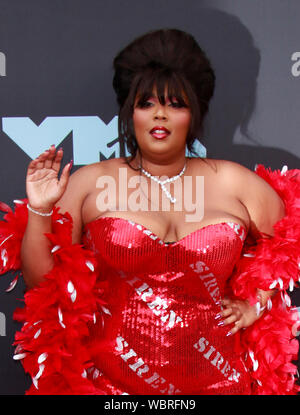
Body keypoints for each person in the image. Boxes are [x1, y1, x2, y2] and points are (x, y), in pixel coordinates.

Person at [1, 28, 300, 395]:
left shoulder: (236, 184)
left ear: (195, 113)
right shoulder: (90, 184)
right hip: (111, 390)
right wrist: (40, 209)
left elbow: (290, 241)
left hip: (222, 384)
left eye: (176, 104)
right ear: (130, 111)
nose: (160, 115)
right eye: (147, 103)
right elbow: (42, 284)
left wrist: (258, 302)